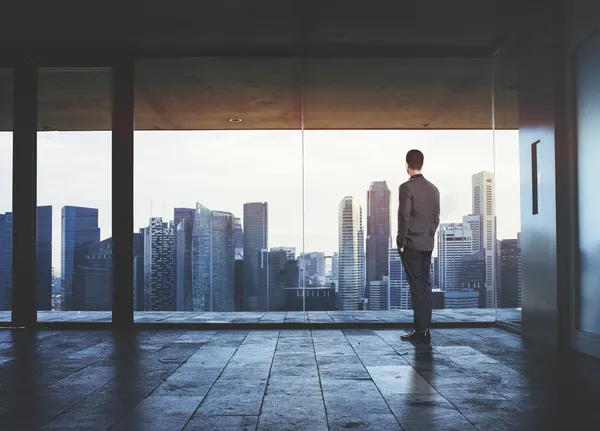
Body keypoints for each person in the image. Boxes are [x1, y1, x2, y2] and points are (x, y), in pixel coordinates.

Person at [397, 149, 440, 343]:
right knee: (425, 286)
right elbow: (436, 217)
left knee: (416, 287)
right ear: (422, 164)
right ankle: (424, 329)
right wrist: (429, 233)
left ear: (407, 166)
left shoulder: (406, 187)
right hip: (427, 243)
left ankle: (420, 330)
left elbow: (404, 216)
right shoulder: (434, 189)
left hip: (411, 244)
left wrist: (401, 240)